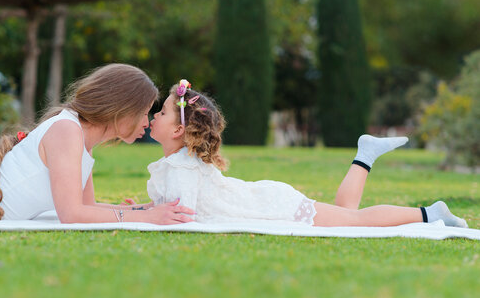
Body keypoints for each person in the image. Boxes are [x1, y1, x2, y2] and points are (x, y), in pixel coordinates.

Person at [146, 79, 468, 227]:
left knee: (355, 221)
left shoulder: (181, 167)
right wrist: (140, 210)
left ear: (178, 131)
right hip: (265, 200)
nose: (153, 117)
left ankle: (430, 214)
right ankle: (365, 156)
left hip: (274, 207)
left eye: (160, 113)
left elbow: (179, 215)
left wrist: (140, 214)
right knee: (347, 214)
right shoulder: (177, 163)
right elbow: (173, 206)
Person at [0, 64, 194, 224]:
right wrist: (144, 217)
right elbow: (72, 215)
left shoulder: (83, 139)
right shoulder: (67, 131)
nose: (146, 122)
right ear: (122, 110)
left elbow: (88, 208)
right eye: (144, 112)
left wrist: (144, 209)